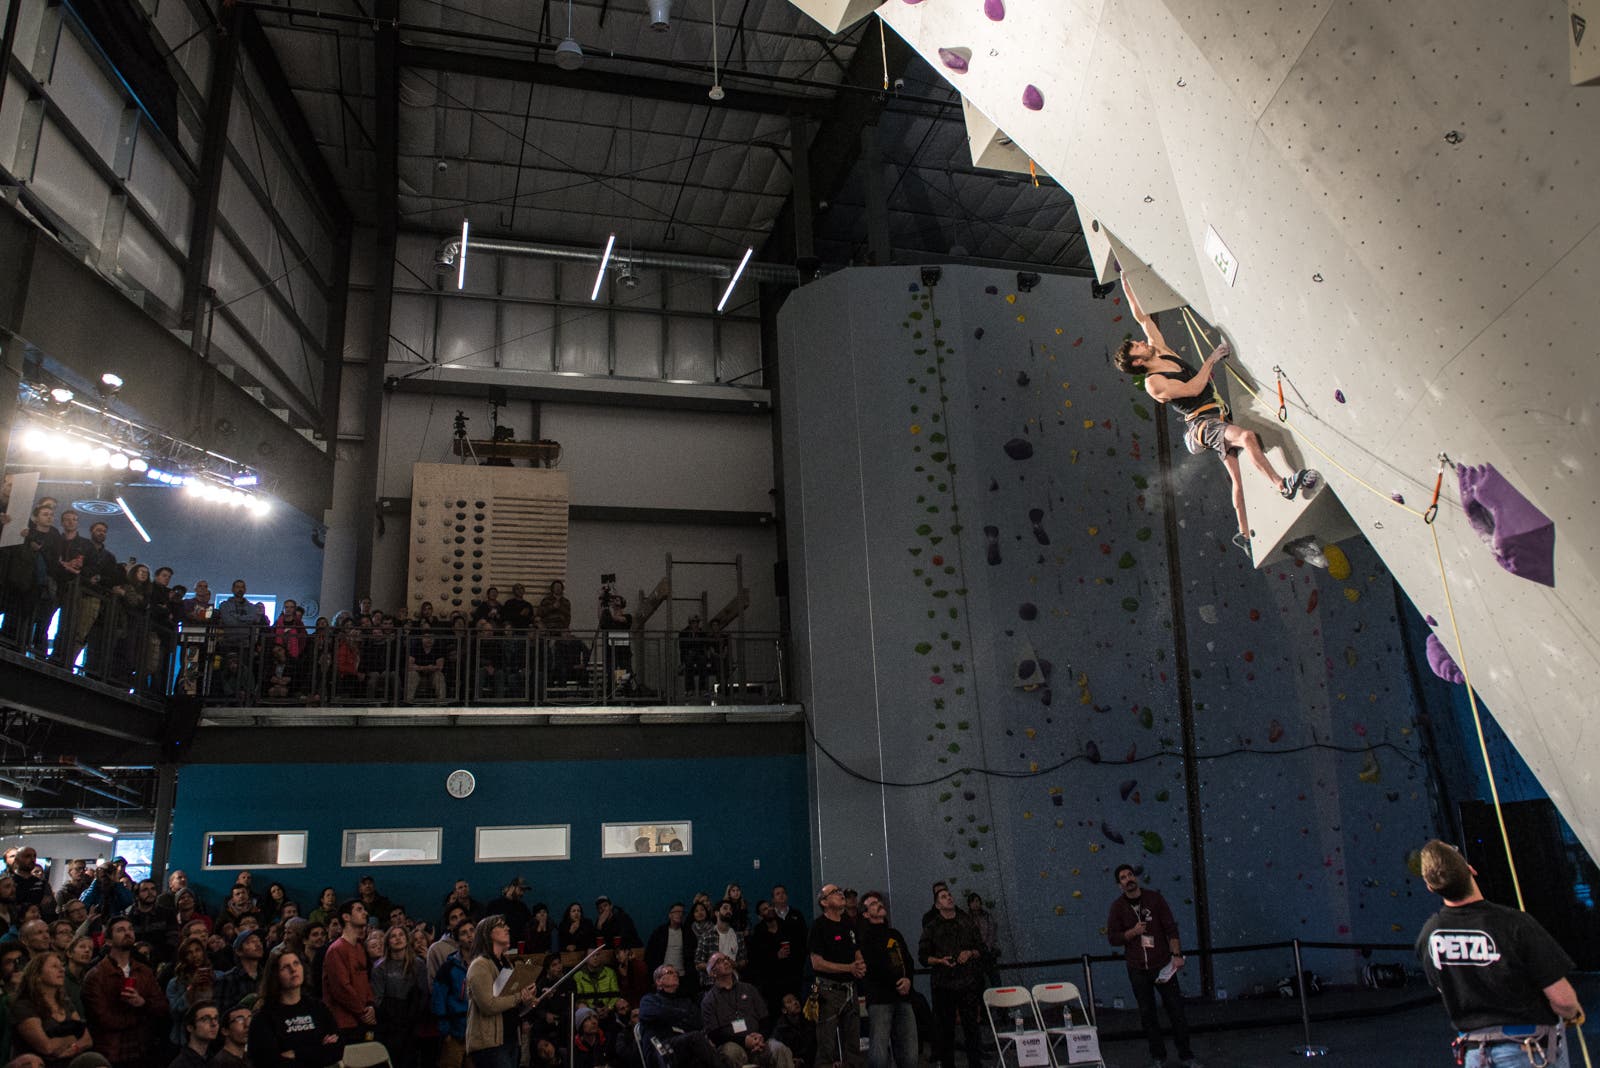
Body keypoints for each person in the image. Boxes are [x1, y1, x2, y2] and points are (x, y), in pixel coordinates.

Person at [1114, 274, 1315, 556]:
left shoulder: (1159, 349)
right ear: (1137, 362)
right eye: (1137, 346)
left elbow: (1142, 317)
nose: (1141, 342)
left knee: (1238, 478)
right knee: (1246, 437)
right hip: (1202, 424)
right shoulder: (1153, 383)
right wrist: (1212, 358)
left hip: (1216, 415)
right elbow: (1194, 388)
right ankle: (1283, 485)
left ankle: (1244, 535)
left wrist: (1126, 283)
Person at [1416, 839, 1583, 1067]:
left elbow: (1445, 989)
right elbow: (1563, 1001)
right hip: (1526, 1052)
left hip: (1475, 1055)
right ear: (1471, 870)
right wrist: (1573, 1013)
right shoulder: (1514, 924)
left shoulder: (1429, 934)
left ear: (1430, 887)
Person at [1106, 864, 1200, 1068]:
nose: (1128, 879)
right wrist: (1132, 932)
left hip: (1163, 965)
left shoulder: (1155, 899)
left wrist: (1177, 955)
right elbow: (1112, 938)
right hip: (1137, 968)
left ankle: (1186, 1055)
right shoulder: (1117, 907)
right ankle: (1158, 1057)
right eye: (1123, 877)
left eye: (1130, 875)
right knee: (1147, 1014)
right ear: (1119, 885)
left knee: (1176, 1011)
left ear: (1136, 877)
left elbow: (1171, 929)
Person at [80, 916, 168, 1068]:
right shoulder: (96, 975)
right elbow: (102, 1019)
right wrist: (141, 1016)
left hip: (143, 1049)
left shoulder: (144, 971)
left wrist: (143, 1003)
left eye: (130, 929)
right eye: (120, 930)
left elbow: (162, 1007)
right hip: (111, 1052)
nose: (128, 933)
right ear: (108, 941)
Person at [918, 888, 984, 1068]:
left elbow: (981, 948)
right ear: (937, 905)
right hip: (943, 986)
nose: (949, 898)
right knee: (946, 1032)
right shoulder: (932, 927)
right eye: (943, 897)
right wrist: (939, 960)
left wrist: (969, 953)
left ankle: (976, 1064)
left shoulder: (966, 922)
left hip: (967, 984)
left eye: (949, 895)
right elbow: (923, 957)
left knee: (972, 1029)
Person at [463, 916, 538, 1068]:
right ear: (488, 933)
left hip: (510, 1039)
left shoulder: (506, 963)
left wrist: (528, 998)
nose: (507, 928)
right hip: (489, 1044)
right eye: (501, 925)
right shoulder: (480, 965)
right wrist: (518, 997)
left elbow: (512, 1004)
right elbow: (488, 1005)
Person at [249, 946, 342, 1068]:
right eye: (285, 967)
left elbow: (337, 1050)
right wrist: (318, 1050)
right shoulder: (264, 1017)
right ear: (275, 975)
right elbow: (269, 1062)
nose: (293, 970)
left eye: (296, 963)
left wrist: (296, 1053)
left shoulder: (318, 1008)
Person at [700, 952, 792, 1068]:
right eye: (719, 961)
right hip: (733, 1045)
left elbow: (765, 1018)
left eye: (726, 958)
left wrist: (760, 1037)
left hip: (759, 1041)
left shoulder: (749, 989)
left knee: (779, 1049)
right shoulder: (709, 1001)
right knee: (731, 1052)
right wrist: (744, 1041)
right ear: (713, 973)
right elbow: (714, 1034)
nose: (726, 962)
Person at [807, 884, 864, 1068]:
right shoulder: (819, 926)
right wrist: (849, 968)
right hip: (828, 990)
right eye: (835, 892)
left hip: (850, 989)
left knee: (853, 1044)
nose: (840, 894)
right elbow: (817, 963)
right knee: (827, 1044)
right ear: (824, 902)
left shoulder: (848, 923)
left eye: (840, 891)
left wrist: (860, 965)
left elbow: (856, 949)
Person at [858, 892, 916, 1068]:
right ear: (866, 914)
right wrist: (895, 983)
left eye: (879, 901)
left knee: (909, 1051)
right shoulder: (864, 938)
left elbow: (908, 960)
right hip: (880, 999)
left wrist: (908, 980)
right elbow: (873, 967)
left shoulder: (894, 934)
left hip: (903, 996)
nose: (879, 904)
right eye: (873, 904)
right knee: (880, 1051)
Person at [12, 950, 95, 1068]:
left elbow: (87, 1040)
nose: (62, 970)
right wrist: (72, 1037)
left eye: (62, 966)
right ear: (38, 976)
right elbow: (47, 1047)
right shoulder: (24, 1006)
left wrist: (74, 1048)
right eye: (54, 966)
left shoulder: (65, 1002)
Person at [638, 964, 722, 1068]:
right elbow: (657, 1013)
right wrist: (682, 1015)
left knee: (716, 1054)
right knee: (696, 1038)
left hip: (684, 1049)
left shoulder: (684, 1001)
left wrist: (675, 1016)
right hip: (660, 1050)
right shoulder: (649, 1000)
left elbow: (698, 1022)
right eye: (670, 972)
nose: (675, 975)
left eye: (676, 973)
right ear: (658, 981)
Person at [372, 924, 427, 1068]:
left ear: (407, 939)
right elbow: (378, 999)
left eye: (401, 935)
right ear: (388, 941)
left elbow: (423, 994)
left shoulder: (418, 964)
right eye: (393, 936)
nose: (398, 938)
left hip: (412, 1022)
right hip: (389, 1024)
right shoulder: (380, 967)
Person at [321, 900, 375, 1045]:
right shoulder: (336, 949)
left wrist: (370, 1005)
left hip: (361, 1020)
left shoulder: (360, 948)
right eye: (359, 909)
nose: (365, 913)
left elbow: (365, 981)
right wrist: (363, 1011)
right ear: (346, 917)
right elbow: (341, 988)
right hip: (343, 1023)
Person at [169, 1001, 219, 1068]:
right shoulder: (180, 1064)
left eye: (216, 1018)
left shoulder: (214, 1059)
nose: (214, 1023)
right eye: (205, 1019)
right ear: (190, 1027)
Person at [213, 1001, 252, 1068]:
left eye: (250, 1019)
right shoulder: (221, 1063)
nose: (247, 1025)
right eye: (240, 1020)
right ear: (225, 1031)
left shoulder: (249, 1058)